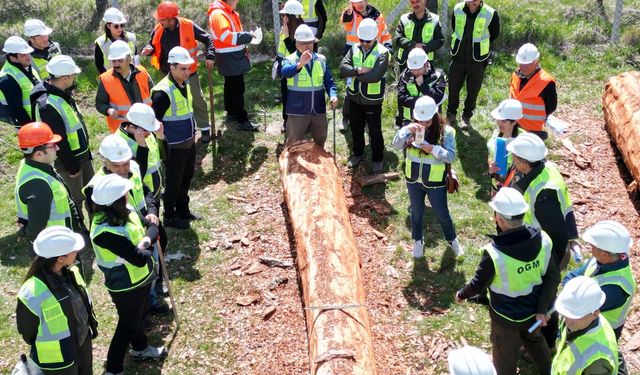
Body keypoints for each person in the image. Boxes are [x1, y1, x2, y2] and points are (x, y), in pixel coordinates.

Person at [455, 187, 559, 375]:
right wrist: (541, 310)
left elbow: (477, 285)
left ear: (500, 219)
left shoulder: (494, 254)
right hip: (534, 312)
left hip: (505, 320)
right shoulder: (543, 240)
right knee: (535, 340)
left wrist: (462, 294)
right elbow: (553, 277)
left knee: (504, 355)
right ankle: (549, 370)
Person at [506, 132, 579, 350]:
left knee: (544, 298)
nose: (512, 161)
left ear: (523, 162)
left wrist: (549, 269)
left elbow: (557, 237)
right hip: (540, 248)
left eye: (514, 158)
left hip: (548, 254)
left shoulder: (544, 195)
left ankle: (547, 343)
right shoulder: (546, 169)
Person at [84, 135, 170, 315]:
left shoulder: (135, 167)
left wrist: (152, 212)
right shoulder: (97, 186)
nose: (123, 169)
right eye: (117, 165)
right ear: (105, 162)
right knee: (137, 273)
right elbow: (100, 220)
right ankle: (142, 311)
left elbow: (145, 191)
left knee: (152, 261)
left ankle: (151, 298)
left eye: (126, 163)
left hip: (143, 226)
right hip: (126, 239)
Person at [89, 174, 165, 375]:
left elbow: (150, 228)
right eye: (124, 194)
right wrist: (149, 239)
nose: (127, 195)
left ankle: (140, 349)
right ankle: (113, 369)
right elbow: (139, 257)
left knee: (138, 317)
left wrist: (146, 241)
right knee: (126, 325)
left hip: (140, 279)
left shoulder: (127, 209)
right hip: (125, 286)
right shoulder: (103, 232)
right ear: (115, 201)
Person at [16, 226, 98, 375]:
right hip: (59, 360)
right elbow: (28, 332)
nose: (77, 252)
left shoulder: (71, 271)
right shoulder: (31, 293)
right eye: (74, 251)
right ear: (60, 259)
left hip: (82, 343)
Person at [392, 96, 463, 258]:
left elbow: (451, 157)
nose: (423, 125)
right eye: (420, 121)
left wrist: (434, 150)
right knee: (416, 213)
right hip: (413, 181)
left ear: (435, 116)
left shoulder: (447, 132)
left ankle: (452, 240)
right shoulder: (410, 129)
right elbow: (396, 145)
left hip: (435, 183)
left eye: (427, 122)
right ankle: (418, 241)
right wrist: (405, 131)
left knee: (442, 214)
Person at [142, 1, 216, 142]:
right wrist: (149, 48)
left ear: (171, 19)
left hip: (188, 72)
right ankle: (174, 130)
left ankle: (204, 129)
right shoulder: (159, 28)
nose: (159, 22)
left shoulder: (188, 25)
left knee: (197, 99)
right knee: (172, 103)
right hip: (166, 73)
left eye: (162, 19)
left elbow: (208, 39)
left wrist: (210, 56)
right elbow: (151, 42)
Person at [32, 55, 94, 221]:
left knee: (91, 193)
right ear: (65, 77)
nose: (75, 78)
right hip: (69, 163)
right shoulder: (47, 105)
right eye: (73, 75)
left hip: (82, 156)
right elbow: (58, 140)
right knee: (76, 199)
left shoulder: (62, 93)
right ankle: (79, 232)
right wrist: (72, 166)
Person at [151, 46, 201, 230]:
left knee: (187, 176)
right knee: (174, 182)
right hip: (174, 146)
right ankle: (170, 216)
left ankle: (183, 210)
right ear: (171, 67)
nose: (187, 72)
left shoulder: (182, 83)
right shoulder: (162, 92)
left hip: (188, 141)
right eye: (183, 68)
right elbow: (154, 121)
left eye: (188, 68)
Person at [563, 221, 636, 341]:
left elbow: (579, 309)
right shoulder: (603, 259)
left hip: (601, 334)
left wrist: (569, 294)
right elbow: (571, 276)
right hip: (588, 324)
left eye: (592, 246)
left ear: (604, 255)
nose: (590, 249)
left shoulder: (616, 288)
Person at [14, 122, 84, 241]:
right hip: (56, 246)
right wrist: (23, 233)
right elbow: (36, 228)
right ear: (39, 153)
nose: (58, 148)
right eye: (53, 145)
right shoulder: (38, 185)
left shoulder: (33, 166)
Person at [340, 18, 389, 174]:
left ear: (375, 36)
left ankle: (377, 159)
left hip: (372, 101)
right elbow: (342, 69)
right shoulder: (354, 48)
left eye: (368, 40)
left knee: (375, 132)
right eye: (362, 40)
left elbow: (374, 76)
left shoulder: (383, 52)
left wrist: (353, 73)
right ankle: (358, 154)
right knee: (356, 129)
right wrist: (359, 71)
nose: (365, 43)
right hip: (354, 98)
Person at [281, 24, 338, 148]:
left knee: (320, 140)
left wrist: (333, 95)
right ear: (296, 44)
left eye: (310, 43)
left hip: (318, 108)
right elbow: (285, 72)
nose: (307, 46)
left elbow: (329, 81)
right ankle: (291, 165)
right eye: (303, 43)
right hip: (297, 110)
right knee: (293, 143)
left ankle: (317, 165)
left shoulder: (321, 60)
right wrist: (300, 64)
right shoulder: (290, 59)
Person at [208, 0, 260, 132]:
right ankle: (242, 120)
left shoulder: (224, 12)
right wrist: (247, 36)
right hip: (229, 56)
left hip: (230, 55)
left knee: (230, 85)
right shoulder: (219, 14)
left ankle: (231, 113)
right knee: (237, 87)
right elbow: (226, 36)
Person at [339, 0, 392, 132]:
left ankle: (368, 122)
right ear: (352, 3)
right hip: (354, 55)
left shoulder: (377, 16)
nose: (360, 5)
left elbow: (384, 34)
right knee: (350, 88)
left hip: (373, 55)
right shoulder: (350, 14)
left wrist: (388, 48)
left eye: (362, 1)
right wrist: (348, 14)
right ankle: (346, 117)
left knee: (370, 85)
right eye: (356, 2)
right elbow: (345, 22)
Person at [447, 0, 500, 130]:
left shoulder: (490, 13)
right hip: (458, 56)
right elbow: (455, 27)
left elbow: (494, 34)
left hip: (477, 59)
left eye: (476, 1)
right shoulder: (458, 8)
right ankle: (451, 114)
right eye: (470, 0)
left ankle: (466, 117)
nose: (472, 3)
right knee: (453, 87)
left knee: (473, 90)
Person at [553, 276, 619, 374]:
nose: (568, 321)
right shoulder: (577, 320)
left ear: (595, 313)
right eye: (566, 314)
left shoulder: (597, 360)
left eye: (576, 316)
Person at [95, 40, 154, 133]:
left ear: (129, 59)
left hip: (146, 125)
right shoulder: (105, 79)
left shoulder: (142, 72)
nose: (116, 64)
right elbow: (100, 103)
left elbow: (154, 95)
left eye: (120, 60)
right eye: (114, 61)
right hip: (123, 131)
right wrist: (108, 110)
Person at [118, 102, 167, 211]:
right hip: (143, 199)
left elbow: (165, 156)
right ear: (131, 127)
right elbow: (138, 173)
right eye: (146, 130)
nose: (150, 133)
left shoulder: (145, 132)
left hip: (156, 192)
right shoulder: (121, 145)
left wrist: (161, 137)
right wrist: (142, 146)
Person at [509, 43, 557, 140]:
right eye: (521, 64)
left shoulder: (546, 82)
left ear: (536, 62)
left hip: (533, 129)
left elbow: (551, 107)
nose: (524, 67)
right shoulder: (515, 75)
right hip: (513, 124)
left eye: (528, 64)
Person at [276, 0, 307, 134]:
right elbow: (281, 50)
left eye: (285, 15)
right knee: (286, 95)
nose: (283, 17)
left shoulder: (302, 32)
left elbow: (297, 53)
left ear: (292, 16)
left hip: (298, 71)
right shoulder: (285, 29)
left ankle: (303, 123)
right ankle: (286, 120)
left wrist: (288, 37)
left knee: (298, 97)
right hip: (285, 69)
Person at [397, 47, 446, 128]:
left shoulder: (437, 76)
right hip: (409, 120)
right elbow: (401, 98)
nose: (415, 72)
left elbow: (437, 98)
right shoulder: (404, 76)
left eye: (419, 68)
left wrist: (422, 85)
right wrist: (423, 102)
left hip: (431, 121)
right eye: (412, 69)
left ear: (426, 64)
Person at [0, 36, 40, 128]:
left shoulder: (26, 66)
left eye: (28, 53)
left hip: (38, 119)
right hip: (28, 125)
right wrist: (32, 129)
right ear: (13, 58)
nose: (28, 57)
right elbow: (17, 110)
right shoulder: (7, 79)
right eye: (23, 55)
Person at [393, 0, 444, 71]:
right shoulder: (404, 19)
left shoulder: (434, 20)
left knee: (423, 82)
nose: (415, 4)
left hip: (425, 62)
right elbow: (398, 39)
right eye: (412, 2)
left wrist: (424, 48)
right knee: (405, 82)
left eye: (418, 1)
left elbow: (440, 40)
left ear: (425, 2)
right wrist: (414, 45)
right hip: (405, 61)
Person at [486, 99, 524, 189]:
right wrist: (490, 165)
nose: (499, 123)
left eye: (504, 121)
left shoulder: (523, 139)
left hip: (513, 186)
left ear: (514, 121)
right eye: (498, 119)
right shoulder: (496, 133)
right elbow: (490, 154)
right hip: (496, 180)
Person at [94, 8, 138, 75]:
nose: (120, 28)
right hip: (112, 79)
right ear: (108, 26)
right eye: (116, 26)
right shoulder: (101, 43)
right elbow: (99, 66)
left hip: (131, 76)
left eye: (122, 25)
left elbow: (135, 58)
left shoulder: (131, 38)